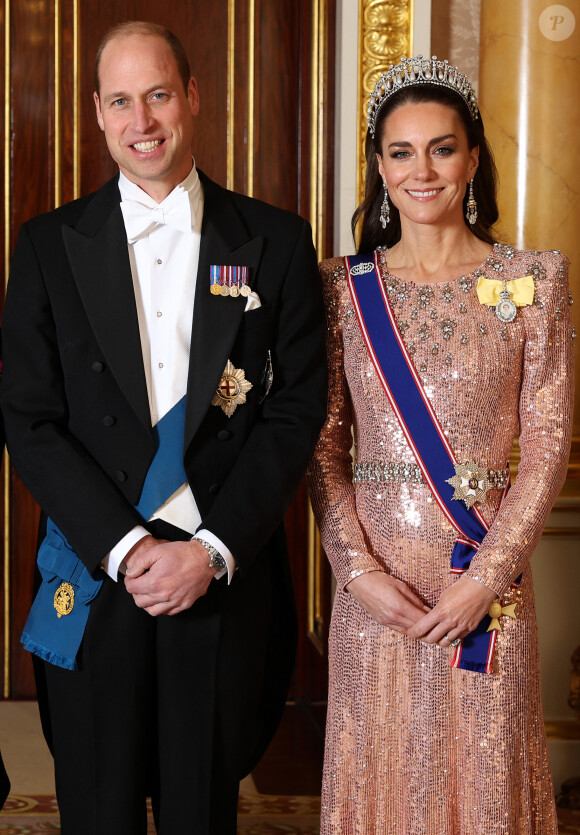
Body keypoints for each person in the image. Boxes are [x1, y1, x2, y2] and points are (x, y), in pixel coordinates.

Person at [0, 21, 326, 835]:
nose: (141, 121)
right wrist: (129, 548)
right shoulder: (46, 245)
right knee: (98, 813)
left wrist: (210, 549)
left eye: (157, 95)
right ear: (99, 115)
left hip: (217, 569)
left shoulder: (275, 241)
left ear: (192, 98)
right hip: (98, 564)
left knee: (201, 814)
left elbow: (295, 409)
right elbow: (29, 418)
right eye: (120, 101)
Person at [307, 55, 574, 834]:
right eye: (401, 151)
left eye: (442, 147)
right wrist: (356, 573)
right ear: (379, 166)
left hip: (487, 589)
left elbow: (551, 438)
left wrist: (483, 580)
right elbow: (324, 446)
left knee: (483, 782)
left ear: (473, 157)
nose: (422, 171)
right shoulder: (341, 287)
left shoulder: (535, 277)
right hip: (378, 593)